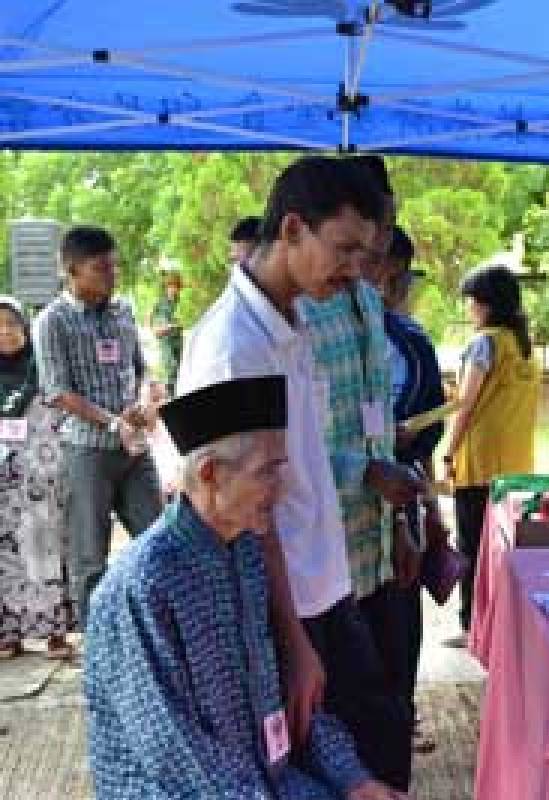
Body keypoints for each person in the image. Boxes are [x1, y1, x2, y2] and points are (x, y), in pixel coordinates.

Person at [84, 375, 406, 800]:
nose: (281, 489)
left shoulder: (246, 552)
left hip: (266, 781)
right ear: (210, 472)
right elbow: (176, 759)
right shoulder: (142, 583)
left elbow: (284, 702)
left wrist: (354, 780)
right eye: (268, 473)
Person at [176, 156, 397, 771]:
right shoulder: (234, 348)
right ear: (294, 229)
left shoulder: (291, 321)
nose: (356, 272)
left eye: (365, 255)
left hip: (322, 586)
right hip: (283, 606)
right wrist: (294, 644)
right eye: (345, 250)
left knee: (373, 747)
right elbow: (247, 517)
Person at [296, 157, 423, 791]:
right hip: (323, 563)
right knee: (339, 722)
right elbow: (291, 448)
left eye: (383, 228)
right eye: (356, 238)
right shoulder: (296, 314)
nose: (374, 246)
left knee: (391, 708)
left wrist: (401, 523)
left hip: (379, 553)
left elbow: (377, 427)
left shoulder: (370, 308)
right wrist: (364, 474)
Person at [31, 225, 163, 629]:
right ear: (72, 270)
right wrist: (112, 423)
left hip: (134, 449)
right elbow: (56, 391)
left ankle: (155, 628)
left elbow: (140, 369)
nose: (112, 274)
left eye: (114, 265)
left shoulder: (124, 310)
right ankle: (96, 643)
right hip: (86, 452)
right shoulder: (52, 321)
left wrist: (143, 401)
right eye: (100, 267)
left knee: (158, 539)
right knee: (90, 555)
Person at [367, 224, 450, 755]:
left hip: (401, 492)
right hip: (349, 508)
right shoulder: (318, 328)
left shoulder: (411, 341)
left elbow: (432, 427)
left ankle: (399, 717)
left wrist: (414, 438)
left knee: (399, 614)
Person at [445, 264, 540, 639]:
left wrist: (449, 451)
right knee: (505, 548)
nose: (469, 309)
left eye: (471, 301)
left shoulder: (484, 343)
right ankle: (502, 625)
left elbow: (466, 403)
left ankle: (472, 627)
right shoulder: (524, 346)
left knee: (471, 546)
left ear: (485, 305)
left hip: (479, 462)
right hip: (517, 465)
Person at [0, 296, 73, 660]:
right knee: (6, 558)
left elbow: (60, 418)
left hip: (42, 479)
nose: (5, 333)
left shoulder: (42, 372)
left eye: (12, 324)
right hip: (2, 485)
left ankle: (54, 634)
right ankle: (9, 634)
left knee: (45, 549)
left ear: (26, 330)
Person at [151, 265, 184, 396]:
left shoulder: (181, 302)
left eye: (176, 286)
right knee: (171, 376)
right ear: (166, 287)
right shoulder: (160, 304)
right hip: (168, 347)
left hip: (181, 346)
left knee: (182, 376)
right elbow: (157, 331)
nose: (174, 289)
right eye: (171, 286)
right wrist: (173, 325)